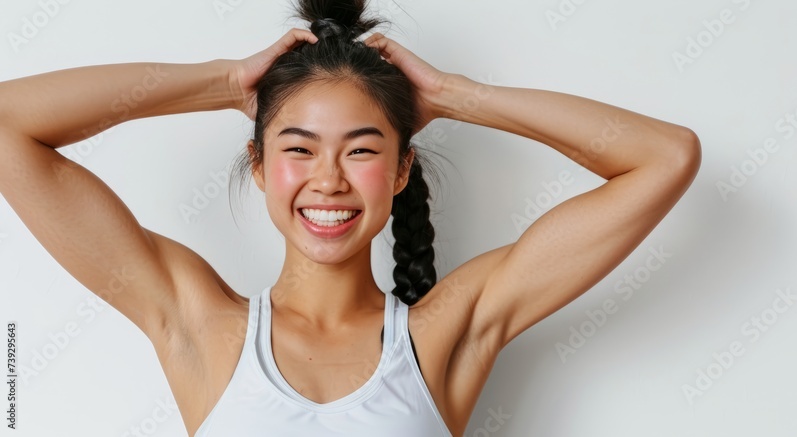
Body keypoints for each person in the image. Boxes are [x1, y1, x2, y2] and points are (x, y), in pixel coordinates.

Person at [0, 0, 701, 435]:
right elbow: (8, 123)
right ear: (258, 163)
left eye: (361, 149)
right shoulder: (197, 323)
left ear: (401, 170)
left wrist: (455, 95)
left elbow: (665, 157)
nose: (327, 178)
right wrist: (220, 81)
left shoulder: (445, 332)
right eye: (298, 147)